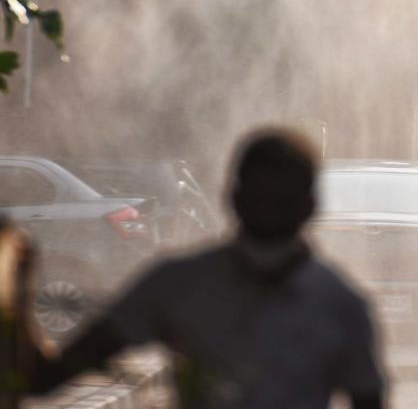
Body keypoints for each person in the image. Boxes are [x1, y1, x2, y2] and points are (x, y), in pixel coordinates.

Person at [12, 128, 385, 409]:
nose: (269, 209)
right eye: (263, 198)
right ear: (312, 207)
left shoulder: (178, 284)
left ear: (231, 199)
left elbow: (46, 378)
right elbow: (44, 378)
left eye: (279, 200)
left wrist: (17, 281)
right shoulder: (342, 305)